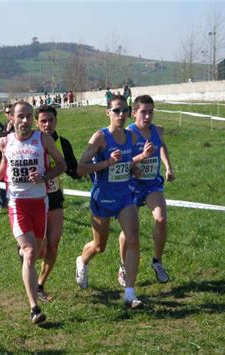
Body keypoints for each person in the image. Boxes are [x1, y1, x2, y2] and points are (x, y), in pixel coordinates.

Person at [0, 101, 66, 324]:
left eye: (29, 116)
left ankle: (23, 254)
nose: (25, 121)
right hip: (17, 204)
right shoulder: (5, 141)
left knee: (39, 252)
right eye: (20, 116)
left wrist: (45, 177)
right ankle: (34, 308)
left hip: (40, 203)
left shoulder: (43, 139)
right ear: (11, 118)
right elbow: (5, 163)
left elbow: (61, 165)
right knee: (32, 251)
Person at [75, 94, 143, 309]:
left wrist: (134, 168)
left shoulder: (131, 137)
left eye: (125, 110)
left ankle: (130, 294)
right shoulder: (100, 138)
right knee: (99, 246)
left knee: (133, 239)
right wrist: (106, 162)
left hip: (124, 195)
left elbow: (128, 160)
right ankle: (82, 261)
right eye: (116, 111)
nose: (121, 114)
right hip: (103, 197)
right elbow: (80, 168)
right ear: (108, 113)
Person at [118, 95, 175, 287]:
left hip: (151, 184)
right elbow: (123, 162)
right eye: (143, 112)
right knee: (129, 230)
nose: (148, 116)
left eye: (151, 112)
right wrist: (141, 157)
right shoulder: (128, 134)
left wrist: (168, 167)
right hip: (132, 185)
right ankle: (123, 265)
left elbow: (162, 147)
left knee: (161, 219)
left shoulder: (157, 131)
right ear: (134, 113)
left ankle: (157, 262)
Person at [34, 105, 80, 302]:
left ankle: (39, 285)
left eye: (50, 120)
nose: (47, 125)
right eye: (43, 121)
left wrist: (97, 168)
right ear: (37, 122)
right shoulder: (31, 143)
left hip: (54, 198)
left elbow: (73, 168)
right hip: (34, 199)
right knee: (39, 249)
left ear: (56, 121)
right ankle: (25, 252)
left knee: (53, 244)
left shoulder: (63, 143)